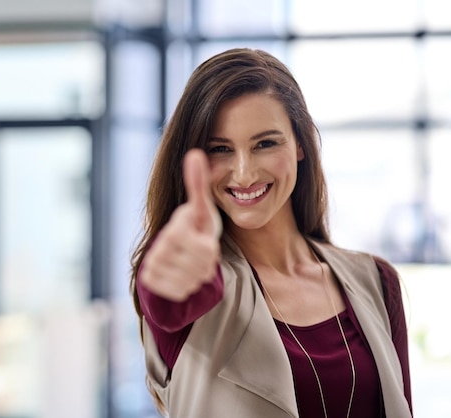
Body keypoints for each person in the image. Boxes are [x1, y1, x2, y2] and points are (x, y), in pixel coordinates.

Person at [129, 48, 412, 418]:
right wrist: (165, 278)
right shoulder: (199, 286)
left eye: (265, 143)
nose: (244, 174)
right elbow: (166, 298)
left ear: (299, 143)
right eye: (220, 149)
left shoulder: (376, 282)